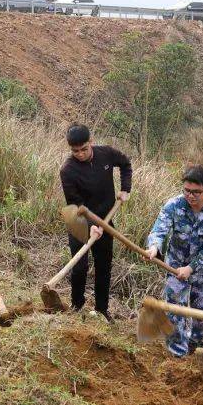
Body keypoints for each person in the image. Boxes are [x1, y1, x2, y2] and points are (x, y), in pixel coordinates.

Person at [145, 165, 203, 357]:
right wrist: (154, 247)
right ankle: (178, 354)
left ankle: (195, 345)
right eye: (187, 191)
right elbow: (159, 229)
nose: (190, 196)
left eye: (196, 192)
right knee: (175, 312)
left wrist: (191, 268)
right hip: (174, 267)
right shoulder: (173, 205)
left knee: (202, 313)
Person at [59, 124, 132, 320]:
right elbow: (76, 204)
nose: (80, 154)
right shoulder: (67, 170)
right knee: (80, 265)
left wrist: (125, 189)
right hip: (78, 218)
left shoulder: (106, 154)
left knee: (104, 264)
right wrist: (91, 227)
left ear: (91, 142)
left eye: (84, 149)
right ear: (70, 149)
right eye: (75, 151)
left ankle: (101, 309)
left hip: (105, 219)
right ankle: (77, 305)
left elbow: (125, 164)